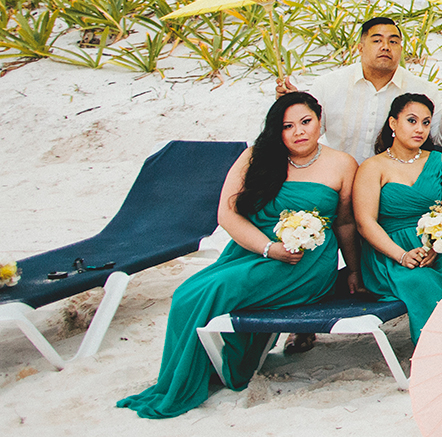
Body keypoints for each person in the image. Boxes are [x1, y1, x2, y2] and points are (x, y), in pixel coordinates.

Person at [118, 93, 358, 418]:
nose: (299, 131)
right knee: (186, 294)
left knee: (216, 290)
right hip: (253, 251)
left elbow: (344, 222)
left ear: (320, 121)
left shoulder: (342, 164)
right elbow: (227, 215)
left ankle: (204, 373)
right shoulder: (255, 158)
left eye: (306, 122)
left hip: (306, 266)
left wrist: (354, 270)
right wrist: (268, 248)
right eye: (288, 126)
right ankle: (185, 376)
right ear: (278, 130)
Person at [353, 93, 442, 342]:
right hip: (389, 251)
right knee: (419, 279)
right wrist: (401, 254)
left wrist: (438, 245)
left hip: (434, 242)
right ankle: (437, 348)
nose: (420, 129)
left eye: (426, 122)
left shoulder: (441, 161)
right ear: (393, 124)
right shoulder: (372, 167)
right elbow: (365, 222)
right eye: (412, 121)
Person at [278, 17, 442, 163]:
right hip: (339, 182)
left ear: (401, 49)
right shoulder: (328, 85)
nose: (386, 47)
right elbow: (307, 134)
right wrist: (290, 107)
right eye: (377, 41)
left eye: (393, 41)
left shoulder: (422, 89)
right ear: (360, 48)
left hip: (394, 187)